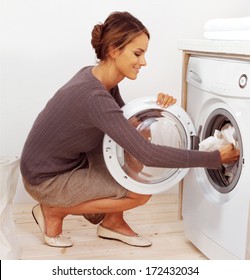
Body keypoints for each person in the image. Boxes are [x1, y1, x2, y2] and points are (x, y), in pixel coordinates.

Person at [20, 11, 240, 248]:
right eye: (138, 53)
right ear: (114, 50)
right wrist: (215, 158)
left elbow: (129, 127)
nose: (143, 62)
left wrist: (158, 108)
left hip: (68, 162)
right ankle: (53, 210)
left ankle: (112, 223)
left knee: (131, 159)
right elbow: (149, 154)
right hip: (46, 179)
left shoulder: (97, 78)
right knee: (139, 192)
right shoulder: (93, 96)